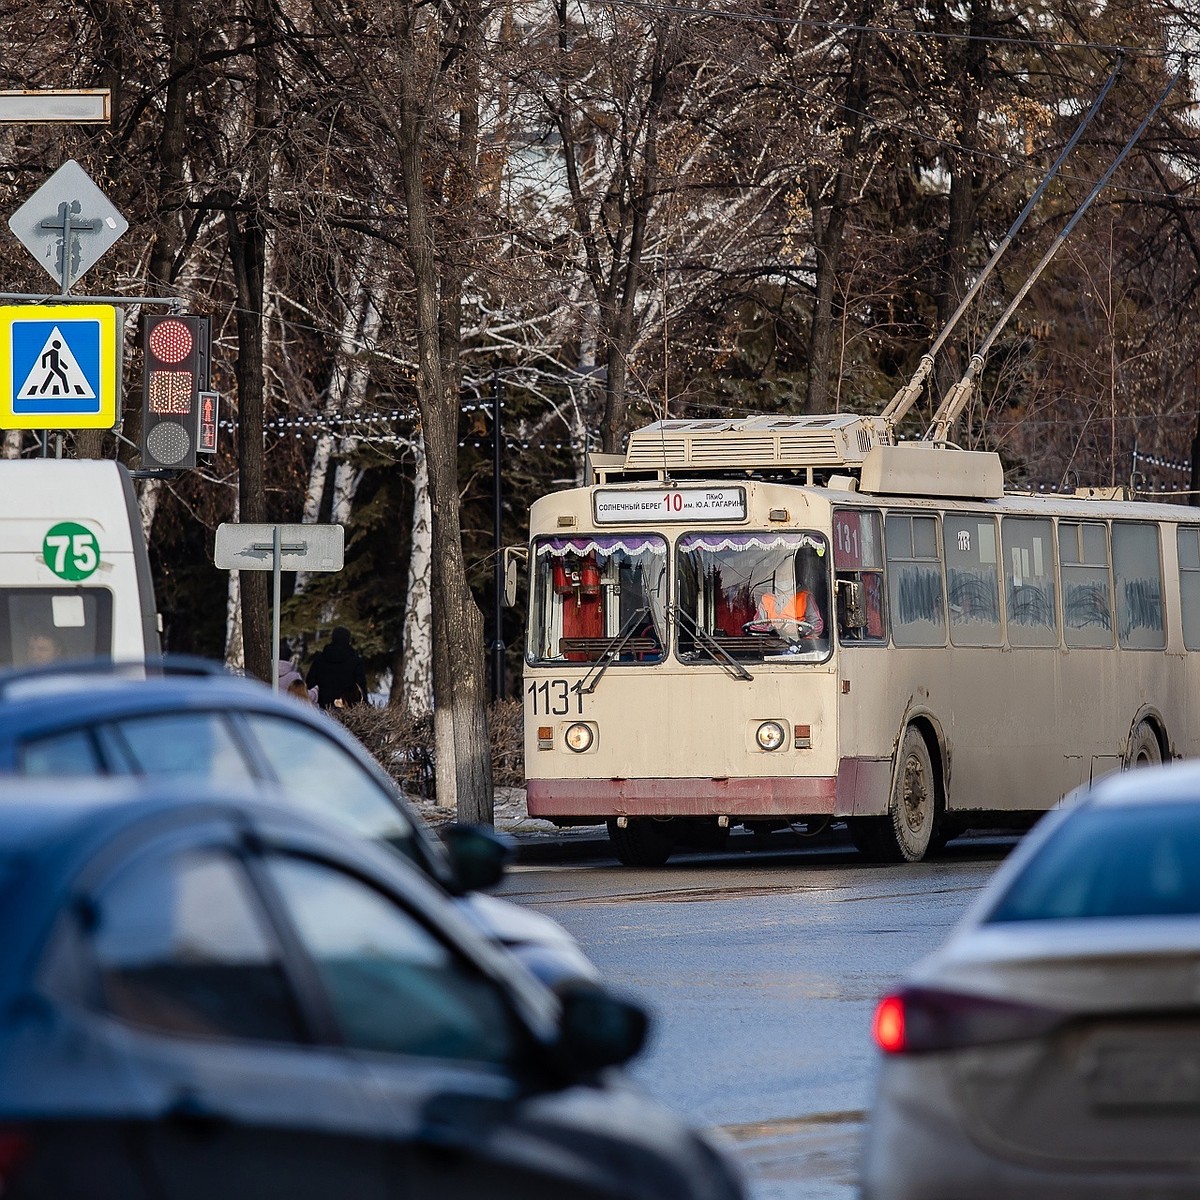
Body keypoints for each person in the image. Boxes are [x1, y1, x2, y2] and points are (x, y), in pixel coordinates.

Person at [305, 626, 368, 710]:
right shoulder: (355, 661)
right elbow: (361, 685)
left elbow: (310, 682)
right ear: (348, 639)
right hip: (348, 708)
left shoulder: (320, 659)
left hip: (322, 707)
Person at [745, 589, 824, 640]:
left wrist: (799, 628)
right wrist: (774, 628)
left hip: (803, 648)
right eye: (780, 574)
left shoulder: (804, 597)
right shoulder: (767, 599)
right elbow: (755, 627)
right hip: (772, 647)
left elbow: (817, 626)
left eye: (786, 574)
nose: (783, 577)